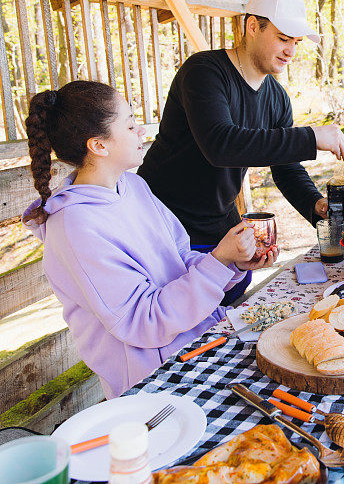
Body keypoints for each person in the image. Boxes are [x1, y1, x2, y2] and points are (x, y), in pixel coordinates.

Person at [23, 81, 277, 399]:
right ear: (99, 146)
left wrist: (232, 262)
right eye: (130, 125)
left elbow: (181, 262)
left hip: (200, 342)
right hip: (155, 383)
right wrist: (218, 261)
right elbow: (143, 321)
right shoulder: (76, 227)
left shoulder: (133, 187)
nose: (141, 130)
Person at [138, 0, 344, 304]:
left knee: (235, 298)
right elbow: (221, 145)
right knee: (180, 322)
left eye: (296, 42)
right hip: (163, 223)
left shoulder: (277, 98)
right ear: (252, 26)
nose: (291, 51)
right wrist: (312, 136)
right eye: (282, 38)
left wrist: (315, 205)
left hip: (218, 221)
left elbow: (286, 168)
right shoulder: (204, 72)